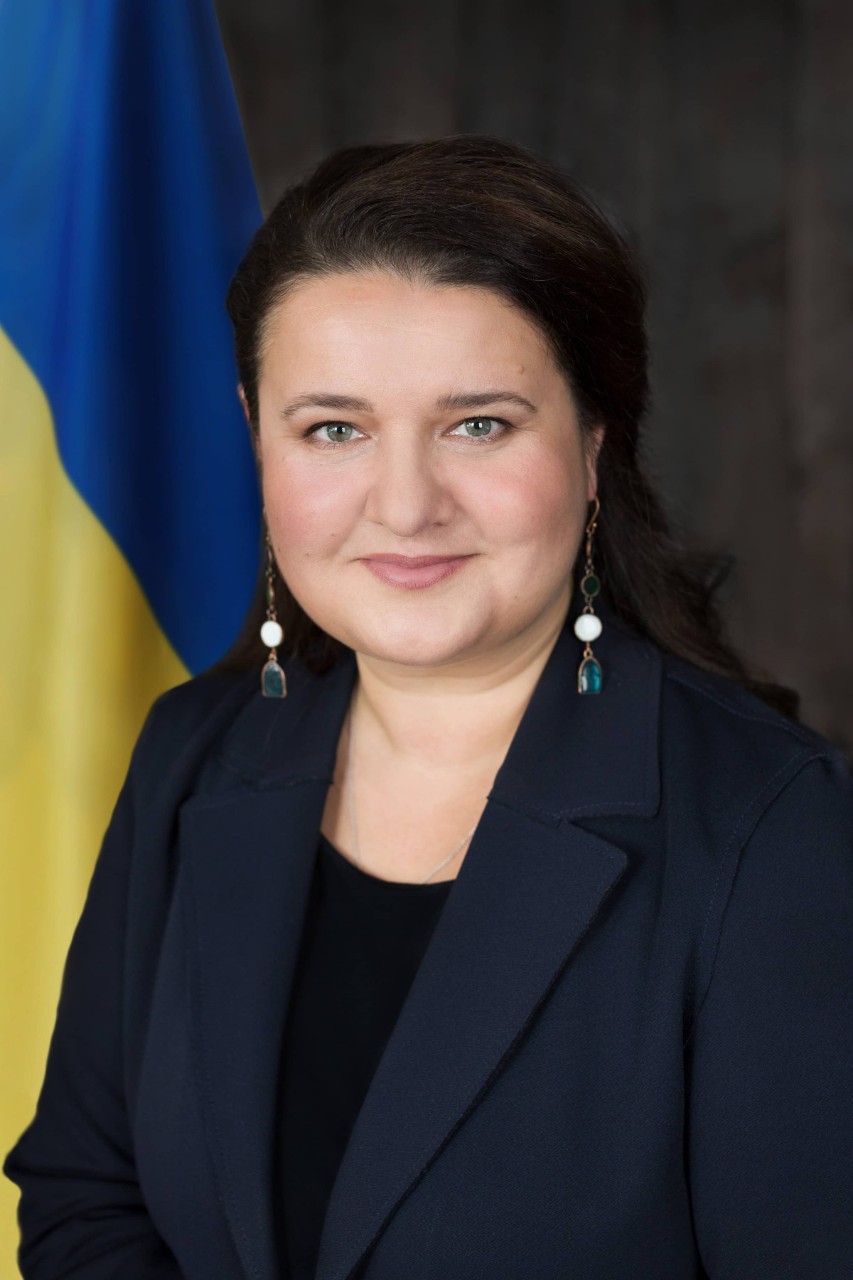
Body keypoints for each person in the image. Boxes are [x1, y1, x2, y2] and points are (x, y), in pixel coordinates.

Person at [4, 134, 852, 1280]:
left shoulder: (771, 824)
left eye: (479, 423)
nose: (404, 504)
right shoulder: (193, 752)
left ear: (592, 443)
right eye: (334, 428)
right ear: (255, 433)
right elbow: (84, 1195)